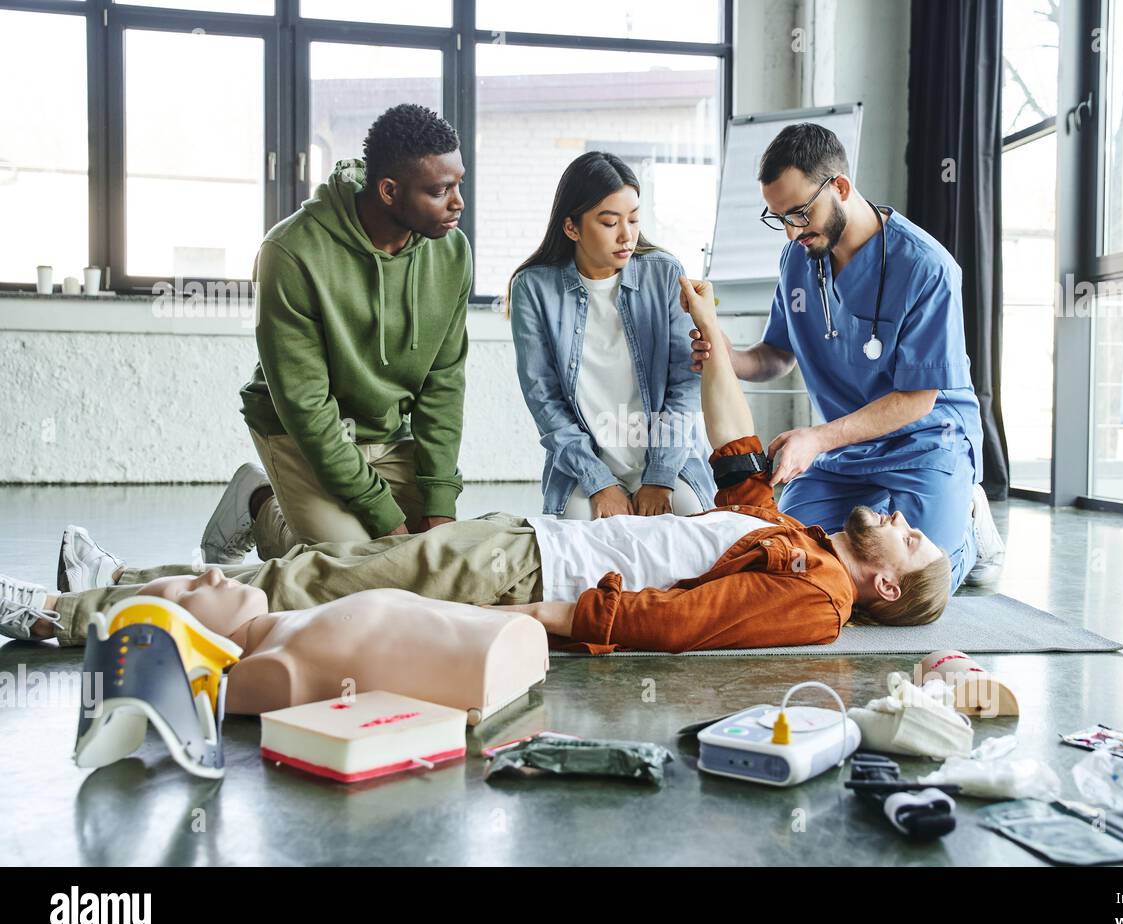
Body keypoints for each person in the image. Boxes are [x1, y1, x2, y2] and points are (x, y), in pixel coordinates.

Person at [0, 279, 952, 656]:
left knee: (302, 586)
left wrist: (533, 621)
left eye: (910, 542)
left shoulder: (818, 598)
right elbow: (738, 451)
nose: (902, 518)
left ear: (884, 585)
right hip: (526, 542)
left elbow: (680, 622)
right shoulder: (790, 535)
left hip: (524, 576)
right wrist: (706, 324)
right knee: (314, 573)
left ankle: (57, 616)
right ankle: (115, 583)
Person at [689, 123, 1005, 591]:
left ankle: (970, 525)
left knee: (918, 581)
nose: (792, 231)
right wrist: (726, 355)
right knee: (791, 557)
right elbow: (777, 355)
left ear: (840, 186)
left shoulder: (927, 267)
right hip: (847, 451)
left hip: (926, 443)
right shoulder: (798, 257)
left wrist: (816, 439)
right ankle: (887, 515)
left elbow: (917, 399)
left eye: (800, 213)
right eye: (779, 218)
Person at [202, 104, 473, 565]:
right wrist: (381, 512)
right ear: (389, 191)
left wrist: (440, 501)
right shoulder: (290, 252)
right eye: (440, 190)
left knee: (438, 560)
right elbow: (306, 407)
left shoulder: (452, 252)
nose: (458, 202)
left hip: (387, 433)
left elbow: (443, 382)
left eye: (459, 184)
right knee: (355, 566)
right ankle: (259, 504)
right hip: (300, 434)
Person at [508, 152, 715, 520]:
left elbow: (685, 384)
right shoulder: (533, 287)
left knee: (690, 521)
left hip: (666, 457)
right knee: (579, 532)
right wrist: (598, 481)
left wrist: (660, 476)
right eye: (609, 222)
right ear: (571, 227)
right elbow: (544, 399)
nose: (626, 235)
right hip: (586, 463)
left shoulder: (665, 274)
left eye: (633, 219)